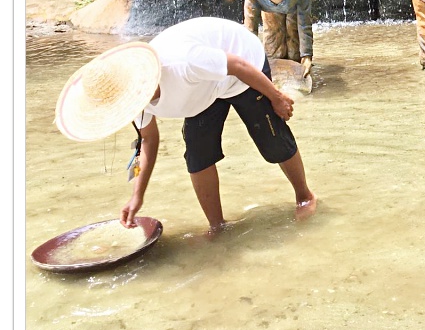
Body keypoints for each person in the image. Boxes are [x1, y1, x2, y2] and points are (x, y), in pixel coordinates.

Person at [55, 17, 317, 234]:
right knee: (197, 153)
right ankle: (217, 227)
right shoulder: (134, 101)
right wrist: (137, 195)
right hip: (203, 90)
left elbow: (237, 65)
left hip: (242, 67)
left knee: (271, 139)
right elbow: (148, 141)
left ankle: (305, 195)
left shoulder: (183, 62)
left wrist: (277, 96)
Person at [244, 0, 313, 78]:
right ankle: (273, 75)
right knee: (273, 42)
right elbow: (250, 26)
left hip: (293, 8)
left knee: (294, 41)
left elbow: (304, 24)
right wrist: (248, 56)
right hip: (269, 10)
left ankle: (297, 72)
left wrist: (307, 56)